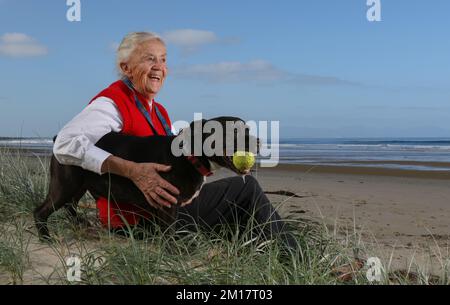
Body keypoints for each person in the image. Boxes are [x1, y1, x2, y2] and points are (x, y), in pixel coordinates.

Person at [53, 31, 298, 255]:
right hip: (139, 221)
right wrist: (133, 171)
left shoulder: (159, 112)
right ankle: (299, 261)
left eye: (163, 60)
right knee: (247, 189)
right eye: (150, 59)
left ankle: (272, 256)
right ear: (126, 67)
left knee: (241, 212)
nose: (159, 67)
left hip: (166, 210)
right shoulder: (111, 104)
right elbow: (64, 144)